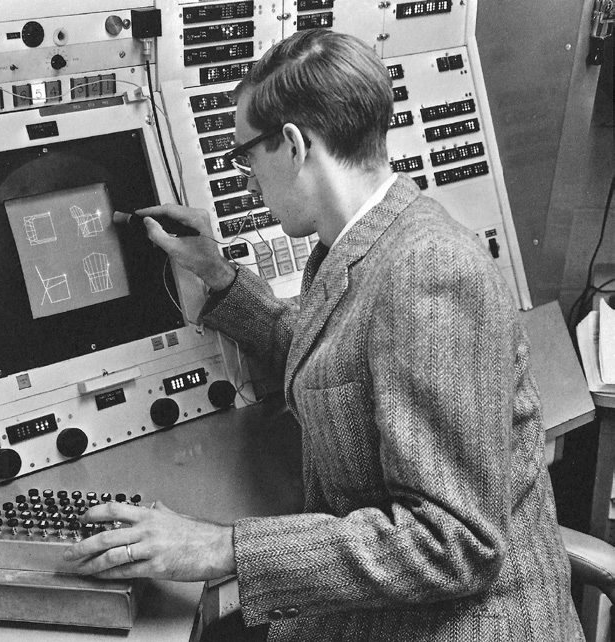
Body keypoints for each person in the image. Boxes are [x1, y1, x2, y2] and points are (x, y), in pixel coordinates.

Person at [61, 29, 584, 641]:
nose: (246, 180)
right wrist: (219, 276)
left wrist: (225, 547)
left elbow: (453, 544)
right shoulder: (359, 246)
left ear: (292, 144)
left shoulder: (430, 271)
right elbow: (343, 363)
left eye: (244, 156)